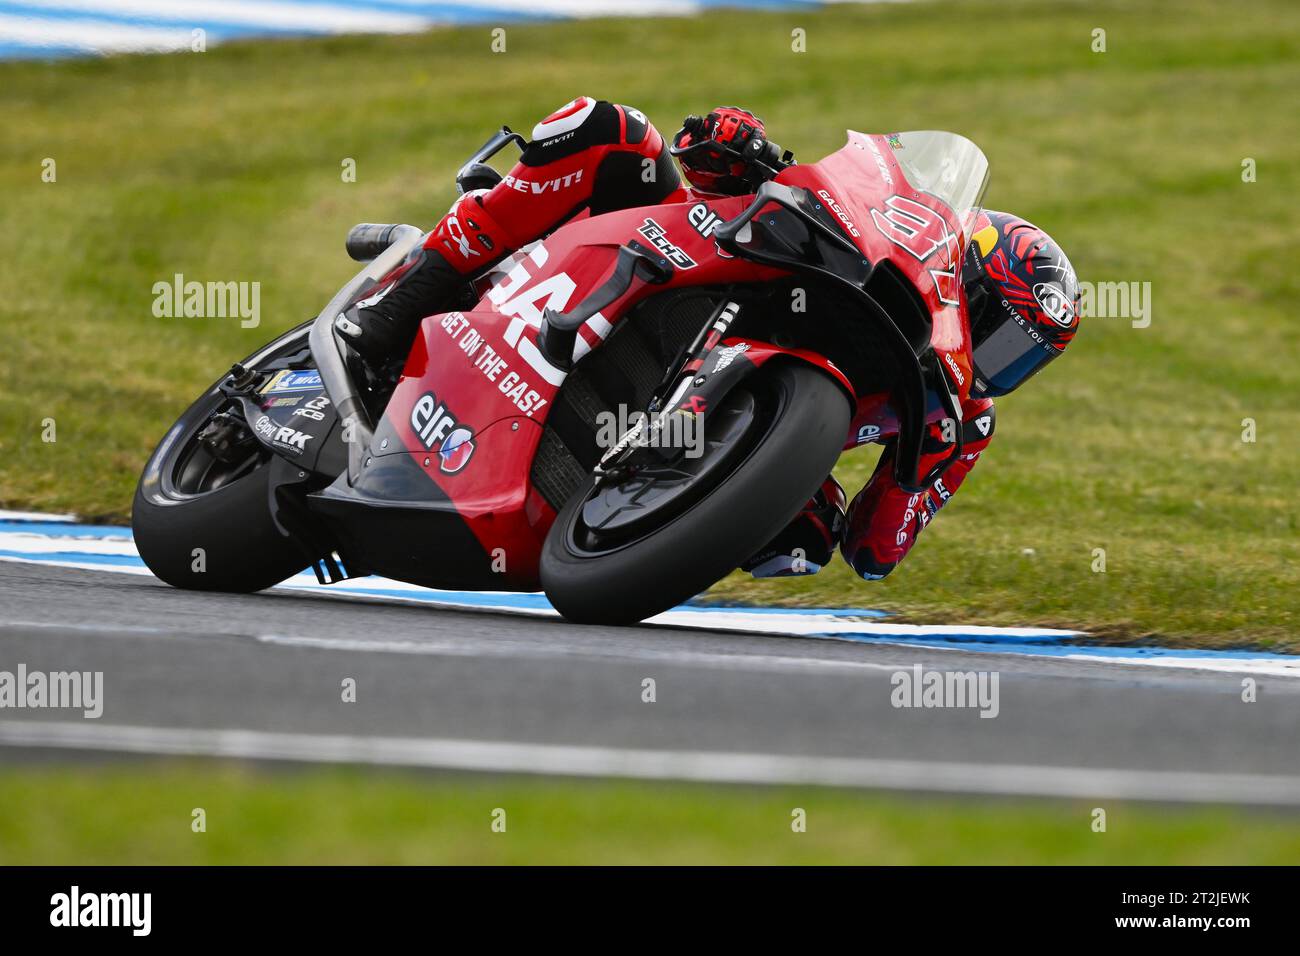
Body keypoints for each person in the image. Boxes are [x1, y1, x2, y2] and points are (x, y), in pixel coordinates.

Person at [335, 98, 1081, 583]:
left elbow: (875, 550)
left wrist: (892, 483)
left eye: (1022, 359)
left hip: (728, 431)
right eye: (995, 331)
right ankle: (396, 307)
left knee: (805, 536)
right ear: (963, 277)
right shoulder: (846, 230)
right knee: (611, 131)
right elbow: (712, 154)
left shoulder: (962, 421)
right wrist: (738, 149)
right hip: (654, 261)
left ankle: (649, 497)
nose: (993, 363)